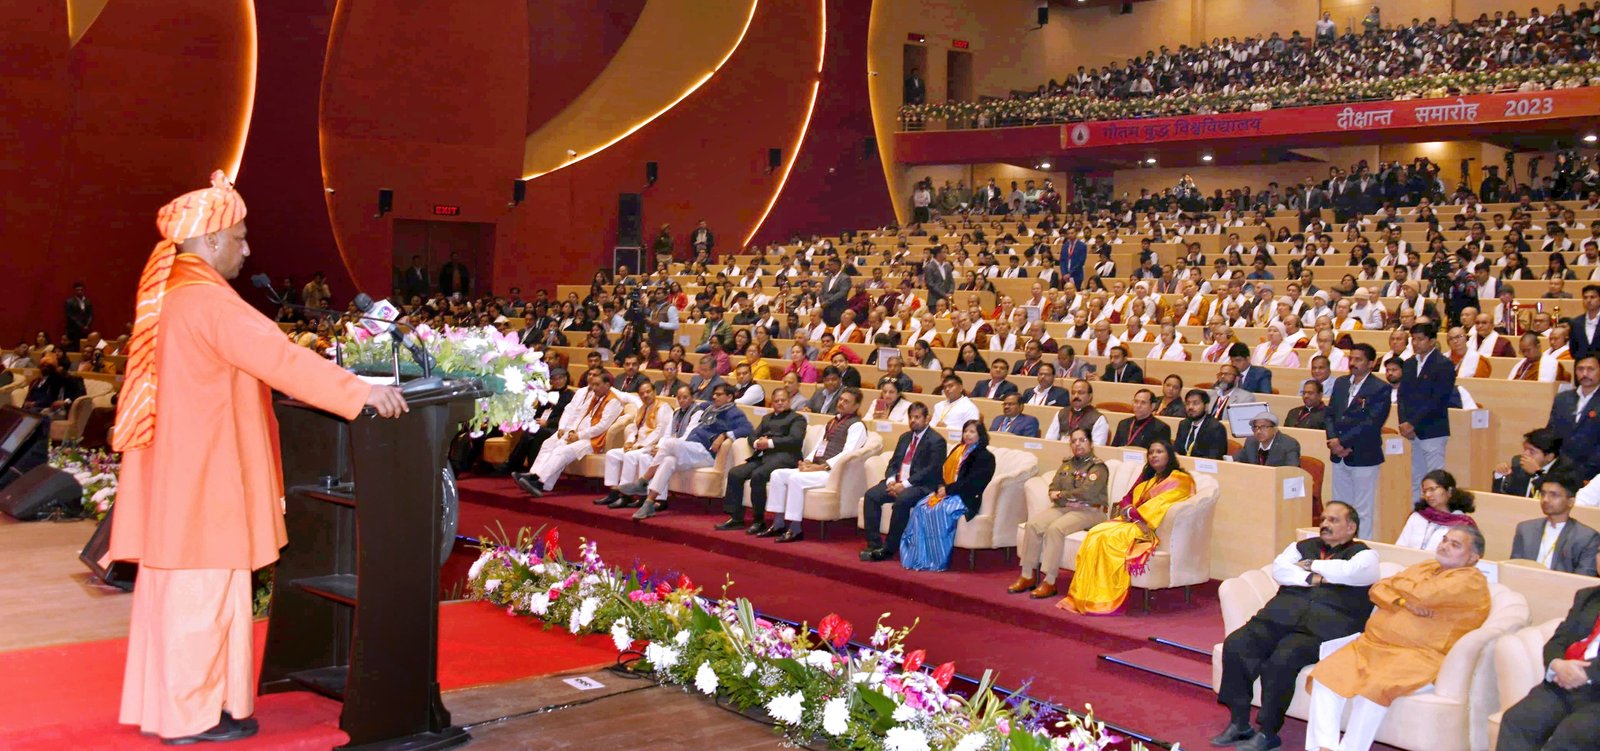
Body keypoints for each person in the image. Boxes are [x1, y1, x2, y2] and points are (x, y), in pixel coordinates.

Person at [110, 171, 408, 744]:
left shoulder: (179, 294)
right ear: (213, 239)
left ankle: (211, 702)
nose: (248, 250)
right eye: (241, 237)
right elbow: (281, 359)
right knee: (198, 598)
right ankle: (189, 715)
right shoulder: (206, 301)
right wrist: (361, 392)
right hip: (202, 477)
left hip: (192, 474)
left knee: (207, 594)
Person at [1305, 527, 1492, 751]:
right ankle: (1324, 747)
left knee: (1374, 688)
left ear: (1473, 558)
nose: (1444, 545)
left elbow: (1424, 595)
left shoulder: (1471, 581)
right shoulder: (1427, 567)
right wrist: (1402, 602)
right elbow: (1378, 588)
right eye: (1444, 540)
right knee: (1326, 676)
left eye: (1455, 544)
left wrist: (1400, 589)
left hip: (1417, 656)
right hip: (1372, 646)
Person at [1212, 502, 1379, 751]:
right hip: (1279, 616)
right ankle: (1239, 722)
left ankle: (1268, 732)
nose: (1324, 524)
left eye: (1333, 520)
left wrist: (1309, 565)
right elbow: (1280, 569)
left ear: (1351, 526)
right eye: (1323, 519)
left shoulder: (1365, 555)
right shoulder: (1302, 546)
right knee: (1237, 645)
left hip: (1323, 628)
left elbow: (1351, 572)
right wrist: (1313, 578)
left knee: (1282, 660)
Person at [1059, 439, 1195, 615]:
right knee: (1095, 533)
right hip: (1131, 521)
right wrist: (1129, 510)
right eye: (1151, 452)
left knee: (1110, 538)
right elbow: (1127, 498)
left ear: (1169, 455)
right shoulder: (1149, 478)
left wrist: (1133, 514)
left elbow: (1160, 505)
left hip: (1148, 527)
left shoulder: (1180, 479)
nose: (1154, 455)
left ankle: (1104, 599)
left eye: (1159, 452)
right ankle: (1085, 595)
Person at [617, 383, 752, 519]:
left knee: (670, 444)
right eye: (714, 394)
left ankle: (643, 481)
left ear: (729, 397)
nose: (714, 397)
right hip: (693, 449)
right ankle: (649, 503)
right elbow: (694, 405)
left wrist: (725, 435)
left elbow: (747, 429)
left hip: (706, 452)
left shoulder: (734, 413)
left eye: (719, 394)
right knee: (669, 461)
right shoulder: (709, 407)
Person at [1495, 583, 1600, 751]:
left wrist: (1585, 673)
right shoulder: (1587, 596)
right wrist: (1556, 664)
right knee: (1518, 720)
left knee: (1573, 735)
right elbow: (1559, 639)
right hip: (1563, 683)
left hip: (1596, 690)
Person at [1011, 428, 1109, 598]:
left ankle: (1049, 581)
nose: (1077, 444)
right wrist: (1064, 497)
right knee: (1033, 525)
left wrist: (1063, 495)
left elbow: (1088, 493)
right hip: (1064, 507)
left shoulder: (1097, 467)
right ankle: (1027, 575)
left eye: (1082, 440)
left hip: (1090, 510)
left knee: (1055, 529)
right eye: (1074, 441)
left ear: (1091, 443)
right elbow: (1053, 487)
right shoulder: (1067, 464)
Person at [760, 388, 868, 542]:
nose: (841, 403)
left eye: (846, 401)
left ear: (856, 406)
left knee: (795, 480)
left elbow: (848, 453)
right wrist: (808, 462)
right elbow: (819, 445)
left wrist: (821, 467)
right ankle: (778, 523)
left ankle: (795, 529)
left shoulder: (857, 426)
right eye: (841, 399)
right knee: (777, 474)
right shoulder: (832, 421)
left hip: (831, 473)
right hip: (817, 468)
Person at [900, 419, 996, 571]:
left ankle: (936, 560)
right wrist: (941, 486)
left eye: (972, 432)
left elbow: (973, 482)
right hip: (947, 491)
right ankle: (918, 557)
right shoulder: (958, 449)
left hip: (965, 496)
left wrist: (949, 490)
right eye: (965, 431)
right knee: (921, 507)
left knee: (938, 511)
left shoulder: (985, 457)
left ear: (980, 435)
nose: (968, 435)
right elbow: (942, 470)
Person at [860, 402, 948, 562]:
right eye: (911, 417)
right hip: (898, 482)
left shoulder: (937, 441)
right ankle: (874, 545)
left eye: (917, 417)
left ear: (927, 419)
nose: (913, 421)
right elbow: (894, 462)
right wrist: (891, 481)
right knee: (871, 495)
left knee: (903, 500)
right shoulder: (905, 437)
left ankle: (889, 548)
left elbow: (931, 470)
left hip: (922, 485)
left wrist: (905, 485)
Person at [716, 385, 808, 533]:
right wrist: (757, 443)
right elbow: (752, 435)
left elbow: (795, 439)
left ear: (789, 401)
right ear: (772, 403)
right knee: (735, 473)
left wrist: (769, 443)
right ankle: (736, 518)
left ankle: (759, 521)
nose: (779, 403)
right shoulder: (767, 418)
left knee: (758, 475)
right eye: (776, 400)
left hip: (786, 457)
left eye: (783, 400)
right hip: (764, 457)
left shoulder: (797, 419)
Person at [519, 370, 625, 497]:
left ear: (607, 385)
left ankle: (540, 483)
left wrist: (578, 436)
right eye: (593, 385)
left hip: (594, 440)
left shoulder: (613, 401)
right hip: (580, 435)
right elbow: (579, 415)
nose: (594, 388)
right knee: (555, 445)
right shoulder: (596, 397)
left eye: (597, 385)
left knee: (563, 451)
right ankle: (539, 481)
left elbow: (602, 427)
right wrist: (572, 432)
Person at [1326, 344, 1392, 539]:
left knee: (1362, 509)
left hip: (1364, 453)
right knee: (1339, 507)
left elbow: (1372, 423)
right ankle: (1338, 544)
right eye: (1351, 358)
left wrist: (1344, 443)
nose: (1353, 363)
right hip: (1338, 454)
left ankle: (1362, 548)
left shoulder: (1380, 388)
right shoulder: (1341, 383)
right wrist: (1333, 440)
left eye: (1358, 360)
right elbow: (1330, 414)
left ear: (1371, 363)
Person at [591, 380, 673, 508]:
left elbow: (660, 430)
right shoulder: (642, 408)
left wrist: (641, 445)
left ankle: (626, 495)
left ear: (654, 392)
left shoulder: (663, 407)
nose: (645, 395)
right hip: (638, 445)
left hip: (652, 445)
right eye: (642, 393)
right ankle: (614, 492)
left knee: (630, 456)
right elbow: (633, 428)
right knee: (612, 454)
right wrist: (629, 441)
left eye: (648, 392)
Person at [1398, 322, 1454, 501]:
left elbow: (1438, 400)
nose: (1415, 343)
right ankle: (1419, 517)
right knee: (1417, 480)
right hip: (1413, 432)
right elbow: (1402, 396)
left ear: (1432, 341)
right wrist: (1403, 422)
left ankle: (1438, 518)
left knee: (1435, 481)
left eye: (1420, 339)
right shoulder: (1408, 364)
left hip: (1433, 430)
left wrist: (1412, 423)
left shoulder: (1443, 364)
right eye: (1413, 339)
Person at [1510, 473, 1600, 576]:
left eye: (1554, 495)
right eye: (1543, 494)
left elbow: (1584, 578)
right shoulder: (1525, 529)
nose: (1545, 500)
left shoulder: (1587, 537)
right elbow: (1512, 568)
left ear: (1571, 501)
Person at [503, 368, 574, 473]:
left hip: (558, 427)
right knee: (528, 433)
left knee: (538, 433)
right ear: (551, 381)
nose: (558, 381)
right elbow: (538, 412)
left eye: (561, 378)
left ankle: (529, 468)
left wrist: (548, 423)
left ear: (566, 379)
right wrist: (533, 421)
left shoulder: (571, 396)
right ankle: (516, 464)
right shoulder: (547, 394)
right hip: (541, 424)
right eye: (554, 379)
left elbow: (569, 416)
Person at [1393, 469, 1478, 551]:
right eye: (1425, 491)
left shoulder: (1462, 524)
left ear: (1449, 491)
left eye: (1432, 489)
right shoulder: (1417, 516)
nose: (1428, 495)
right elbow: (1400, 547)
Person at [1547, 355, 1600, 480]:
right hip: (1561, 470)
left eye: (1591, 369)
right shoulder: (1562, 398)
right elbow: (1551, 431)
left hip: (1594, 474)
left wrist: (1584, 472)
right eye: (1580, 369)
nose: (1585, 373)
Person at [1493, 428, 1574, 497]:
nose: (1525, 454)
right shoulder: (1519, 462)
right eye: (1525, 449)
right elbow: (1504, 497)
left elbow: (1556, 496)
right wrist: (1500, 475)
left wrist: (1538, 473)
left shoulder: (1567, 470)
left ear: (1549, 457)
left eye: (1532, 451)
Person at [1046, 378, 1109, 445]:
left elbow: (1097, 447)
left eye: (1080, 393)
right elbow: (1049, 440)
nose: (1076, 396)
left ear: (1090, 396)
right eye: (1073, 393)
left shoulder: (1098, 419)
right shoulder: (1061, 413)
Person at [1174, 388, 1228, 459]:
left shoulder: (1216, 428)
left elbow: (1214, 457)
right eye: (1188, 403)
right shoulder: (1183, 424)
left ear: (1206, 406)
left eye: (1195, 403)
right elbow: (1176, 449)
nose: (1190, 407)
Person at [1233, 411, 1301, 467]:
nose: (1258, 431)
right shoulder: (1251, 442)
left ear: (1275, 429)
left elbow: (1292, 471)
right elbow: (1237, 460)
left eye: (1264, 427)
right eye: (1255, 427)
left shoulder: (1289, 444)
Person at [64, 281, 93, 347]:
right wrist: (81, 326)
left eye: (81, 290)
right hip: (74, 330)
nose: (79, 291)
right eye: (77, 290)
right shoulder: (69, 302)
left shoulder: (88, 301)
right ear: (74, 291)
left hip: (86, 330)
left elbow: (91, 315)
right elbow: (70, 315)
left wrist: (87, 325)